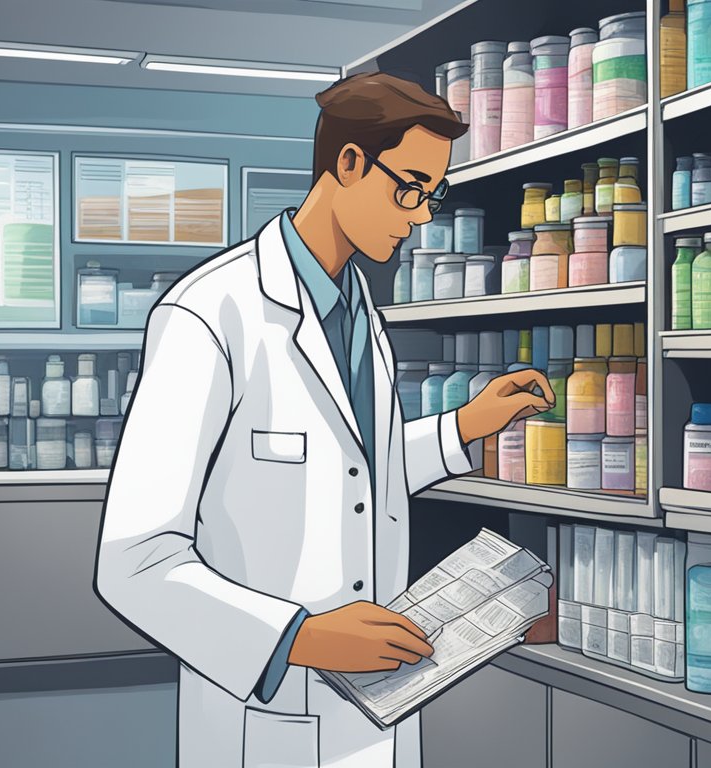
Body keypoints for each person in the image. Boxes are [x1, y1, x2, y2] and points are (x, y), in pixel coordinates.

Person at [95, 72, 553, 768]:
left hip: (380, 699)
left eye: (432, 196)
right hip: (265, 715)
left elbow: (349, 472)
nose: (421, 215)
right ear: (347, 163)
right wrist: (297, 638)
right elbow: (133, 560)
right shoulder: (211, 315)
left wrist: (462, 427)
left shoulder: (359, 314)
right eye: (409, 188)